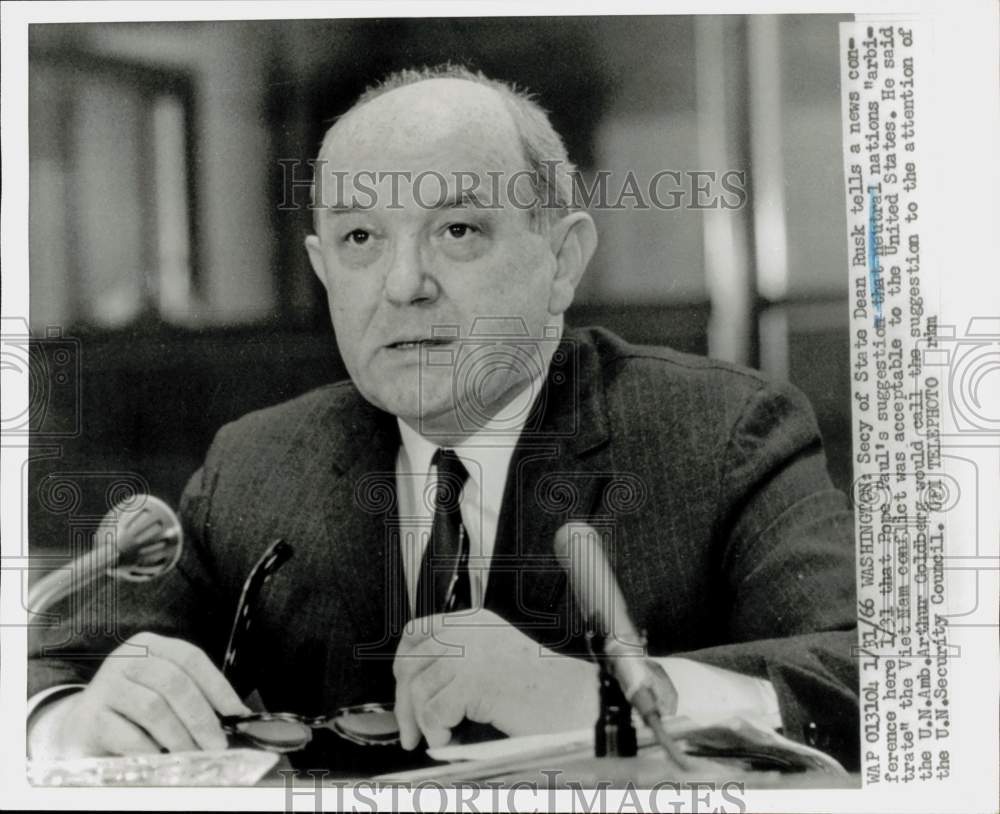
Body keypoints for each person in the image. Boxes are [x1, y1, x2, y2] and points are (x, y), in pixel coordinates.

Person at [28, 65, 859, 768]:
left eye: (458, 229)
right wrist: (73, 716)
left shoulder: (720, 433)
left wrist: (607, 695)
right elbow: (51, 664)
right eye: (360, 239)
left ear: (562, 258)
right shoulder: (259, 463)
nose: (403, 284)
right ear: (322, 268)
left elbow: (877, 679)